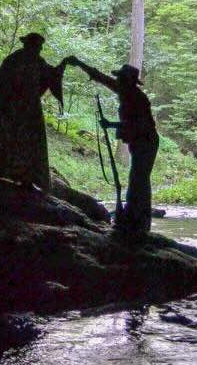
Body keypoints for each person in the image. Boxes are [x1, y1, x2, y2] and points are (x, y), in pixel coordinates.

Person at [66, 58, 159, 235]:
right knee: (138, 180)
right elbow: (99, 77)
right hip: (138, 142)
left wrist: (111, 125)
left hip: (147, 142)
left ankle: (137, 221)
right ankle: (134, 219)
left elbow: (140, 125)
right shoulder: (125, 91)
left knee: (139, 180)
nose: (118, 81)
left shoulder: (138, 98)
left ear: (128, 81)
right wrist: (79, 63)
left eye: (122, 78)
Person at [0, 33, 66, 190]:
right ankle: (0, 170)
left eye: (39, 48)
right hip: (15, 107)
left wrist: (64, 63)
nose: (39, 50)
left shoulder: (36, 62)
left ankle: (23, 176)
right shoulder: (17, 60)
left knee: (22, 141)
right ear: (29, 45)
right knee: (9, 138)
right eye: (37, 47)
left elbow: (52, 76)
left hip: (20, 108)